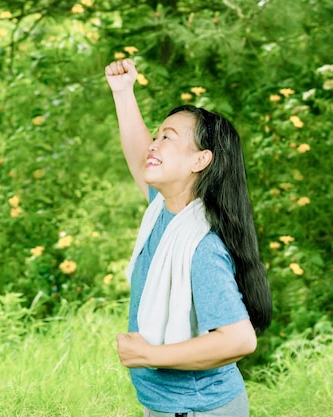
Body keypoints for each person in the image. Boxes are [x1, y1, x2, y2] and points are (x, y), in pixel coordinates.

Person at [104, 58, 272, 416]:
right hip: (172, 407)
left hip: (199, 410)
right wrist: (123, 93)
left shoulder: (201, 246)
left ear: (200, 161)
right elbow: (139, 158)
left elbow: (240, 339)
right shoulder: (164, 211)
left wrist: (150, 356)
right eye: (156, 134)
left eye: (168, 137)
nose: (154, 144)